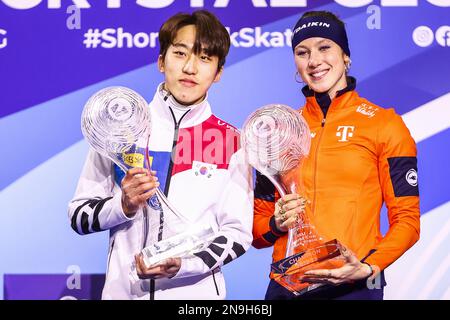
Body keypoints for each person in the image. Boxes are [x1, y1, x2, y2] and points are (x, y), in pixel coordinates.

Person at [68, 10, 253, 300]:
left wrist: (186, 266)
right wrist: (123, 205)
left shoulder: (231, 140)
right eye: (180, 53)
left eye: (204, 58)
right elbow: (79, 216)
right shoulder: (122, 128)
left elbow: (238, 233)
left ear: (218, 73)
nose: (190, 67)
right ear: (160, 61)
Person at [252, 10, 420, 300]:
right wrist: (276, 224)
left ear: (345, 56)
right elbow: (256, 229)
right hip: (287, 285)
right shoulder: (280, 129)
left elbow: (408, 222)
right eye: (302, 52)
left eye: (325, 47)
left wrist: (369, 267)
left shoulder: (384, 124)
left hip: (354, 285)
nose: (314, 61)